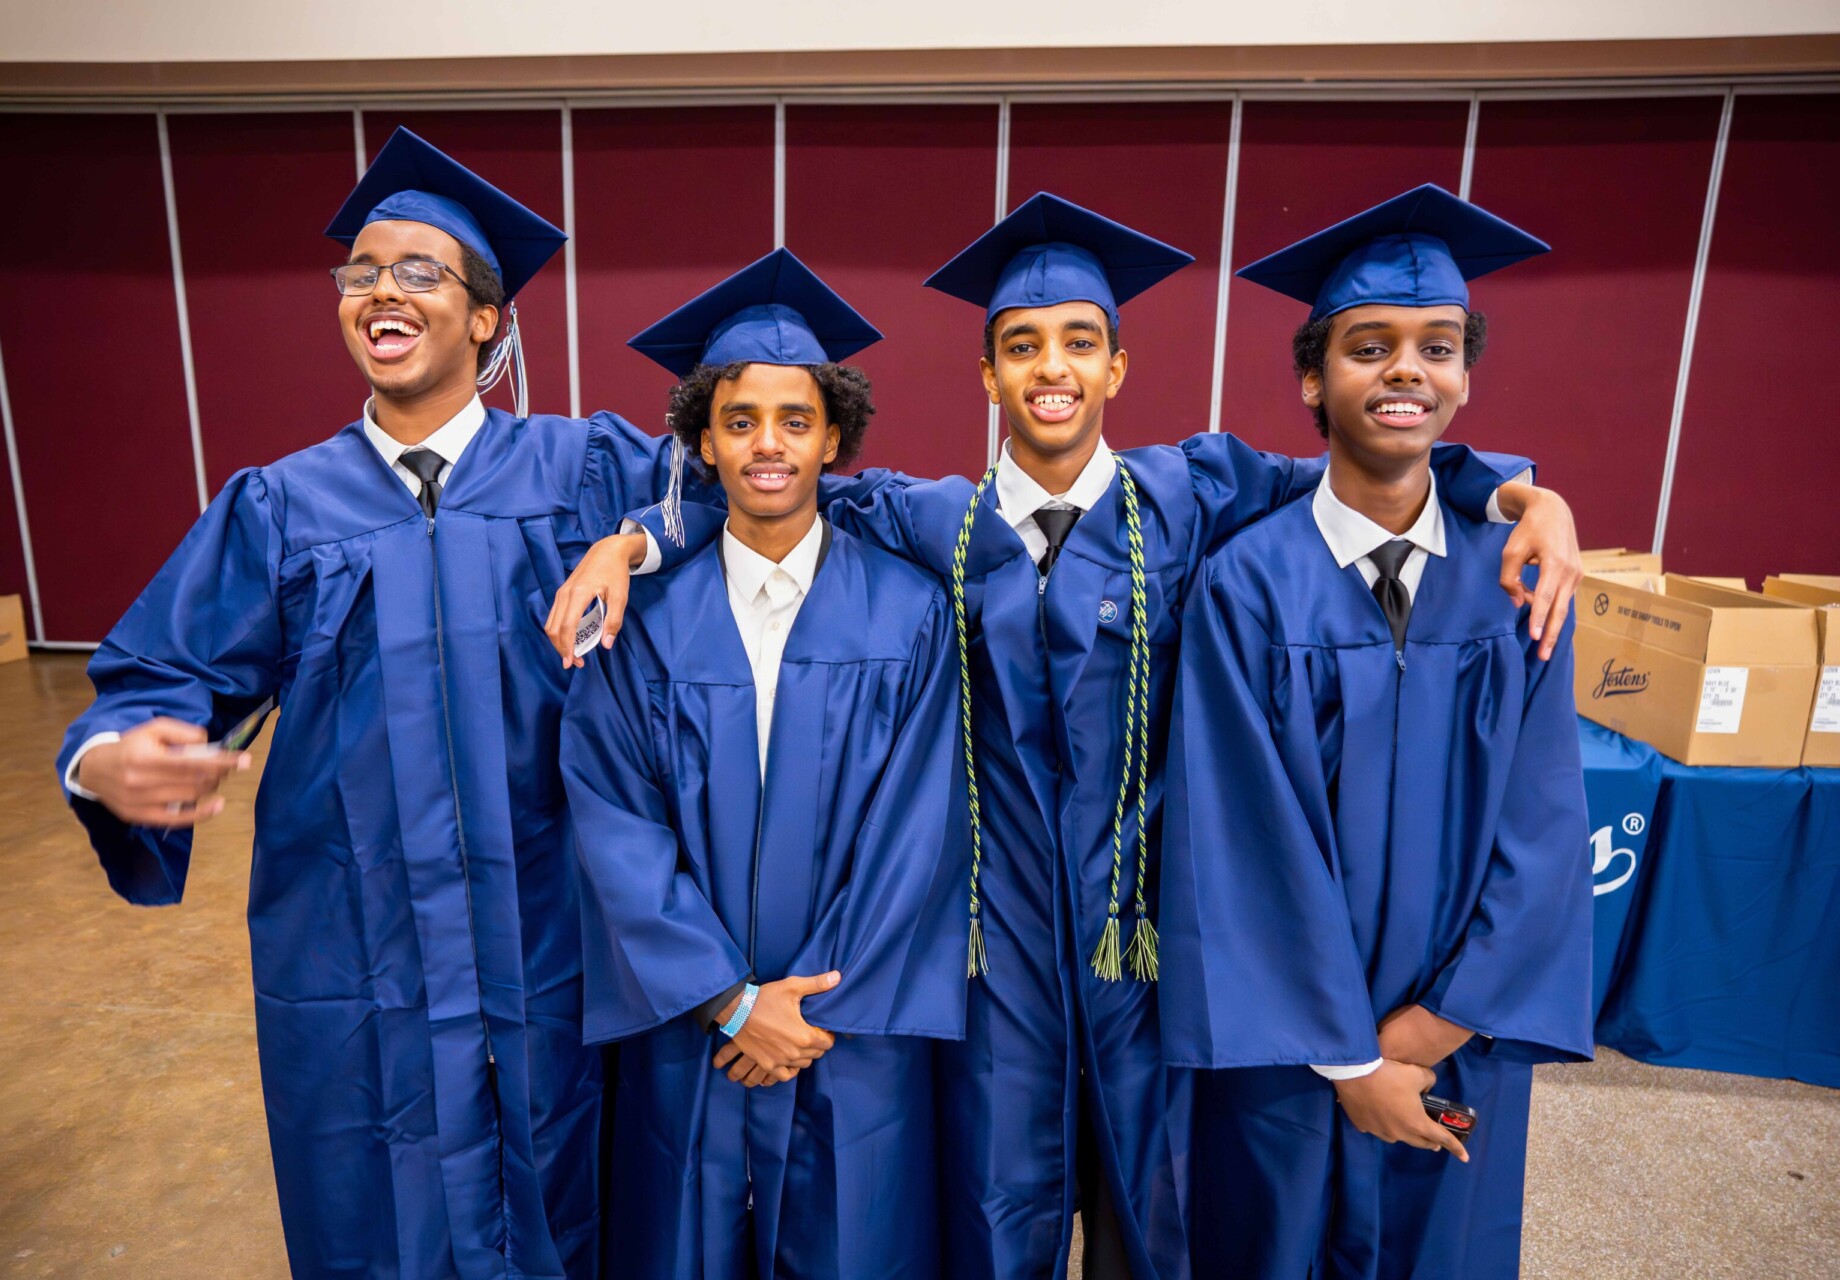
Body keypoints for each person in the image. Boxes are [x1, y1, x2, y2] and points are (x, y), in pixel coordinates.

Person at [549, 193, 1582, 1279]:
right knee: (999, 1212)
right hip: (993, 949)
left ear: (1118, 368)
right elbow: (771, 488)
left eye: (1081, 342)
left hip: (1151, 937)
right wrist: (636, 542)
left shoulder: (1192, 491)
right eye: (1023, 345)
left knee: (1164, 1209)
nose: (1054, 366)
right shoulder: (925, 514)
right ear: (989, 375)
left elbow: (1368, 466)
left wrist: (1517, 491)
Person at [54, 128, 693, 1279]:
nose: (381, 291)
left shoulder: (582, 466)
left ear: (487, 319)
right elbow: (162, 674)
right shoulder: (281, 505)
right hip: (362, 934)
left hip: (553, 918)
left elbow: (740, 481)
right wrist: (105, 756)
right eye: (360, 273)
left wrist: (636, 537)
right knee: (377, 1192)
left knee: (571, 1174)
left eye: (418, 271)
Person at [1159, 184, 1595, 1279]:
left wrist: (1440, 1022)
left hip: (1456, 1034)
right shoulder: (1245, 586)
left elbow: (1543, 828)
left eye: (1435, 347)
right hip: (1286, 1049)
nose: (1406, 368)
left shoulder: (1516, 589)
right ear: (1313, 377)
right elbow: (1238, 839)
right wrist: (1352, 1057)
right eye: (1369, 345)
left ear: (1463, 379)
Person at [559, 249, 970, 1279]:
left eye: (795, 419)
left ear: (834, 436)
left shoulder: (911, 610)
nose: (768, 444)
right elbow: (615, 818)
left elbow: (918, 833)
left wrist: (804, 1008)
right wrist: (729, 996)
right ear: (704, 440)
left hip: (847, 1020)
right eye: (740, 421)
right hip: (693, 1020)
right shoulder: (640, 622)